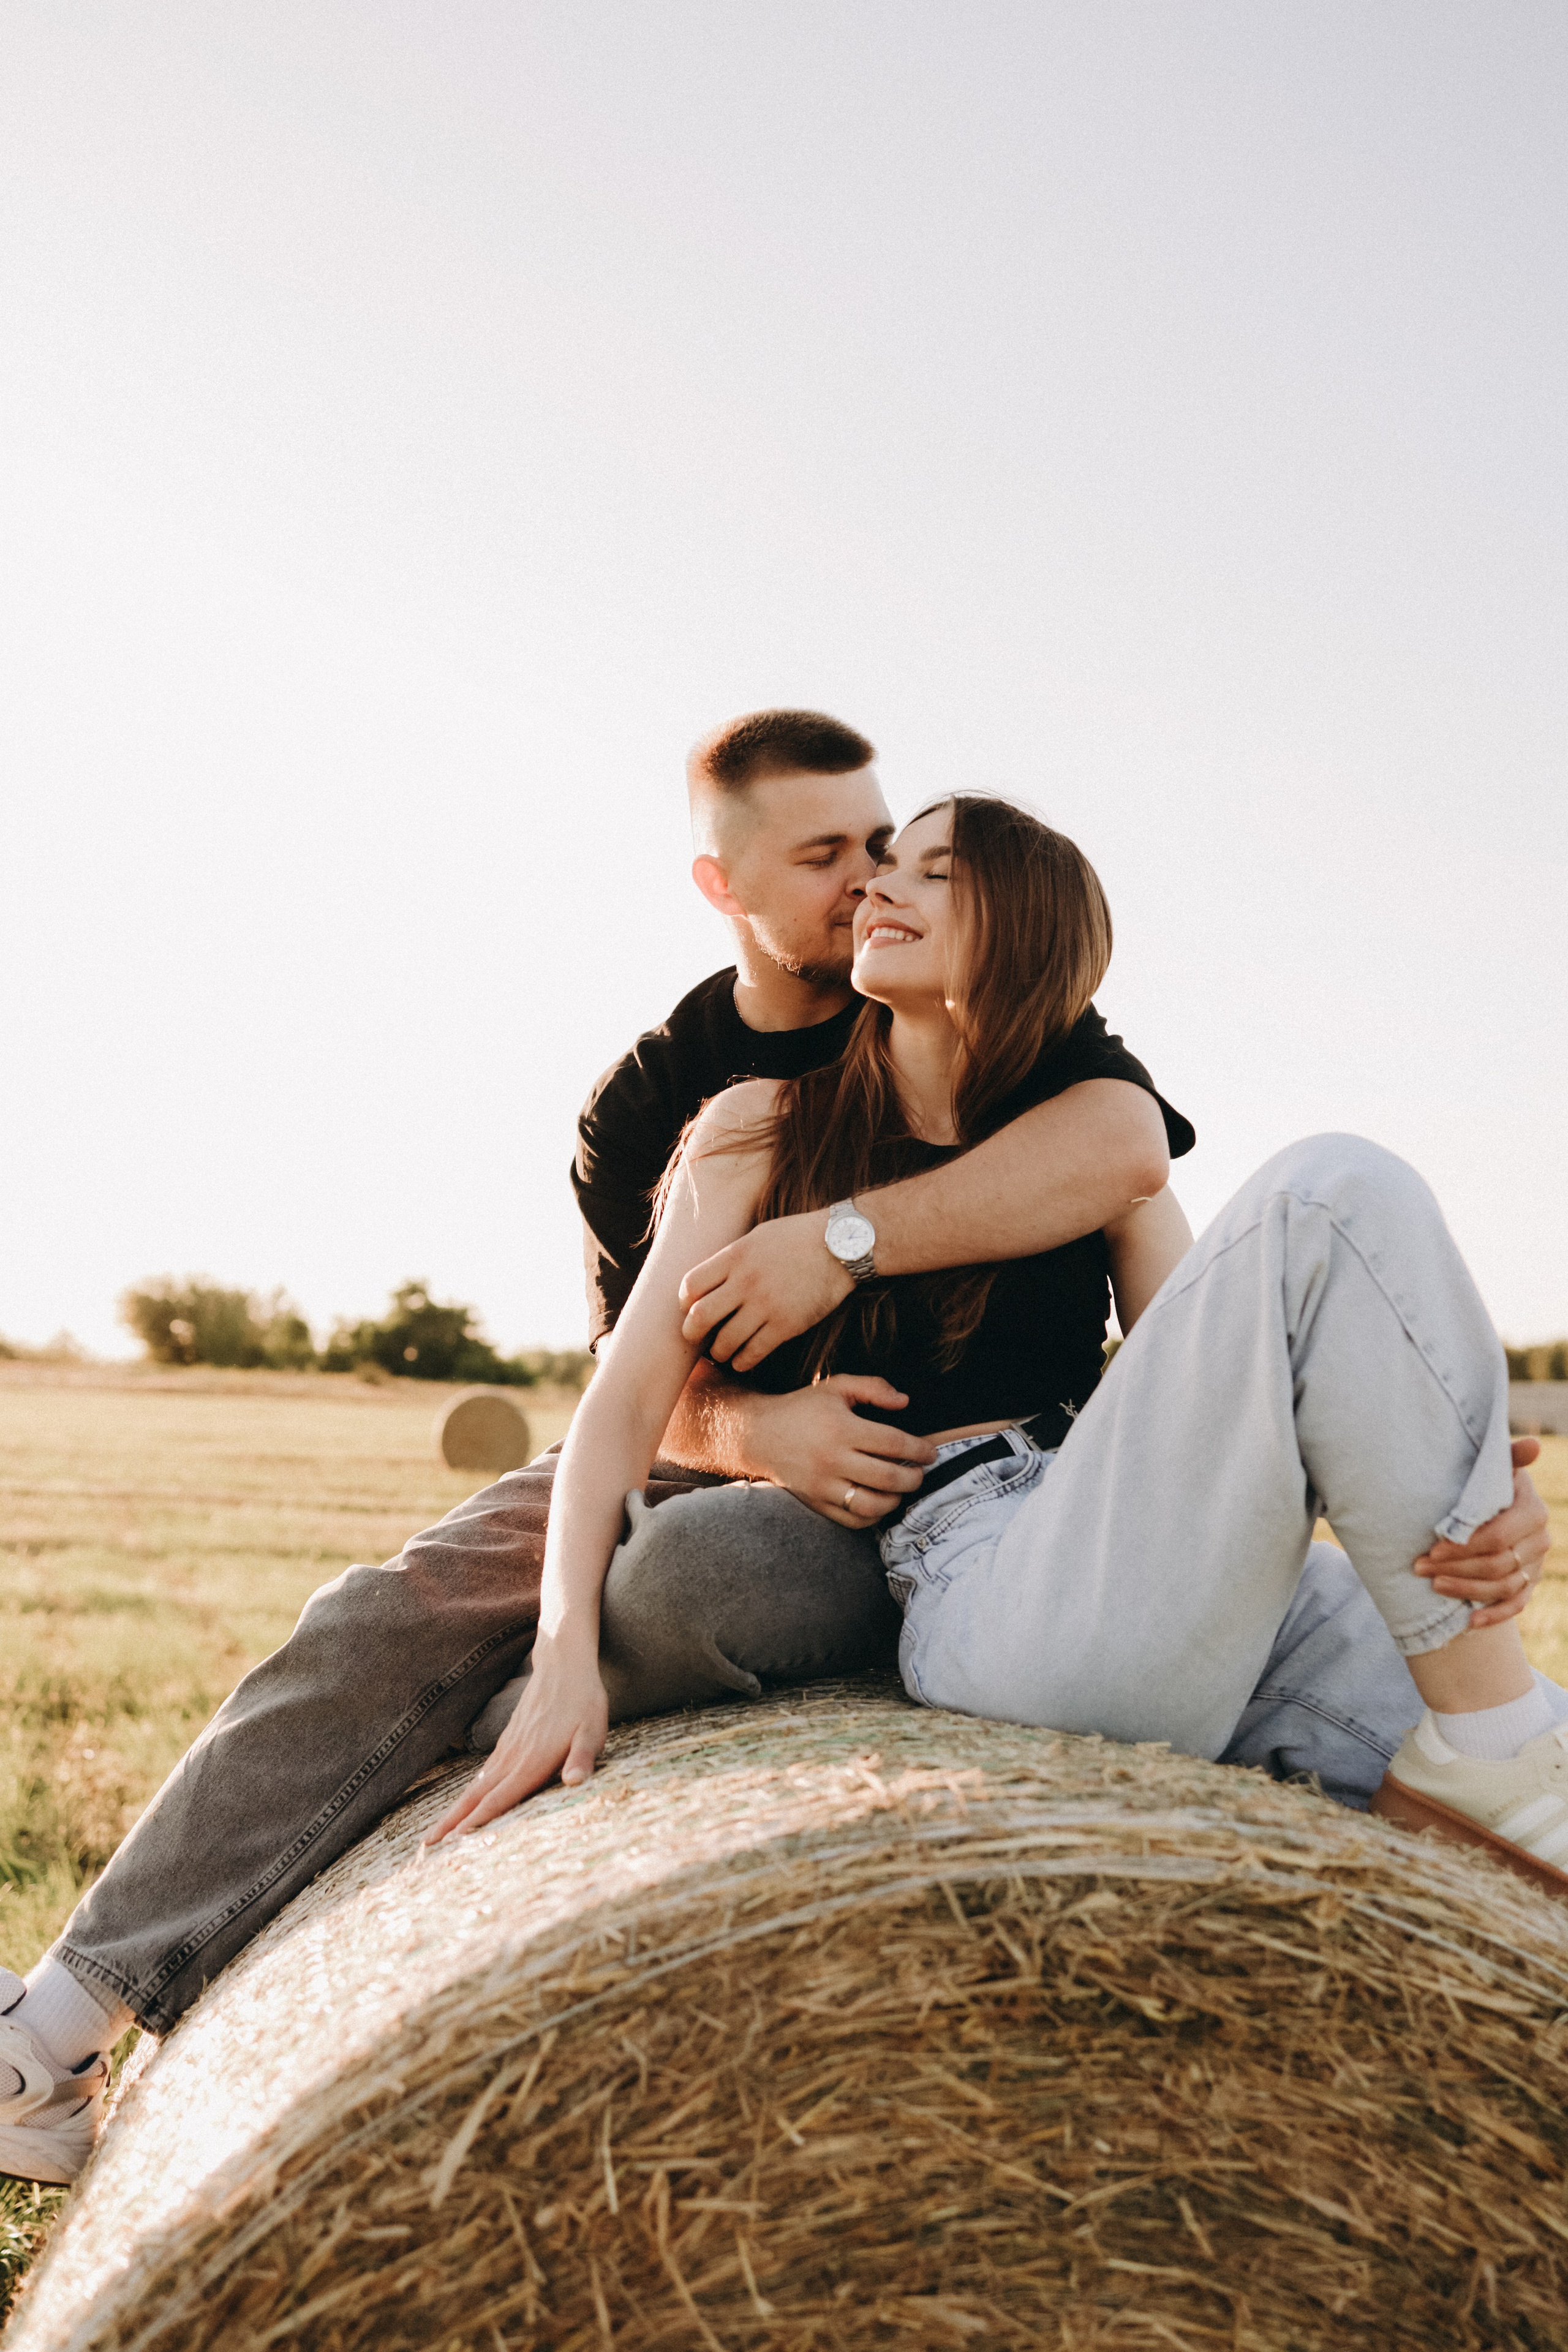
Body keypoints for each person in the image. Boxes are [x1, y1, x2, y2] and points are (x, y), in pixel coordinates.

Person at [0, 708, 1229, 2188]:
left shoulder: (964, 989)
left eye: (887, 843)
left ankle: (471, 1732)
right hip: (715, 1449)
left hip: (945, 1484)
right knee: (386, 1614)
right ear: (724, 888)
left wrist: (842, 1249)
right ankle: (45, 2040)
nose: (871, 879)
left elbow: (1122, 1149)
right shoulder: (661, 1097)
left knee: (670, 1590)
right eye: (829, 854)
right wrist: (757, 1426)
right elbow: (625, 1382)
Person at [428, 795, 1564, 1935]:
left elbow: (1230, 1377)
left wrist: (1458, 1498)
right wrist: (565, 1647)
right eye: (883, 868)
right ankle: (1489, 1746)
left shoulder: (1079, 1146)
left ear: (1024, 927)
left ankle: (1483, 1747)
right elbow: (621, 1408)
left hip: (1141, 1549)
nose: (878, 886)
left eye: (932, 872)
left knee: (1533, 1773)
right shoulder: (760, 1127)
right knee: (1332, 1191)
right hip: (987, 1572)